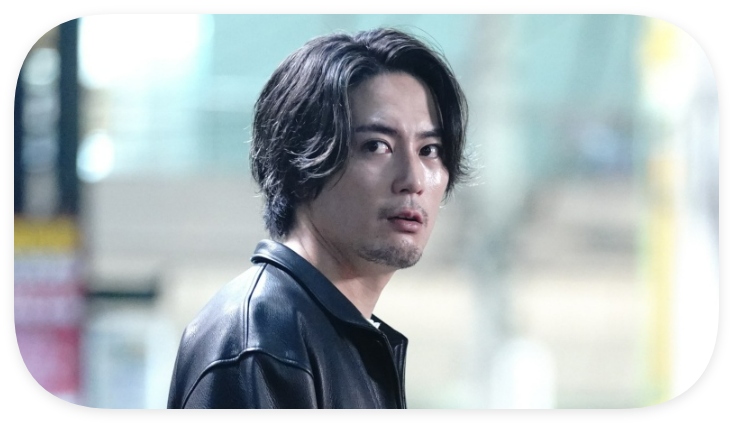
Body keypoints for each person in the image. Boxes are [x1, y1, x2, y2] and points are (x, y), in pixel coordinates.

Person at [167, 27, 468, 409]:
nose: (413, 179)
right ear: (302, 161)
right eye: (376, 146)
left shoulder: (335, 337)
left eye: (430, 149)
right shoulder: (264, 340)